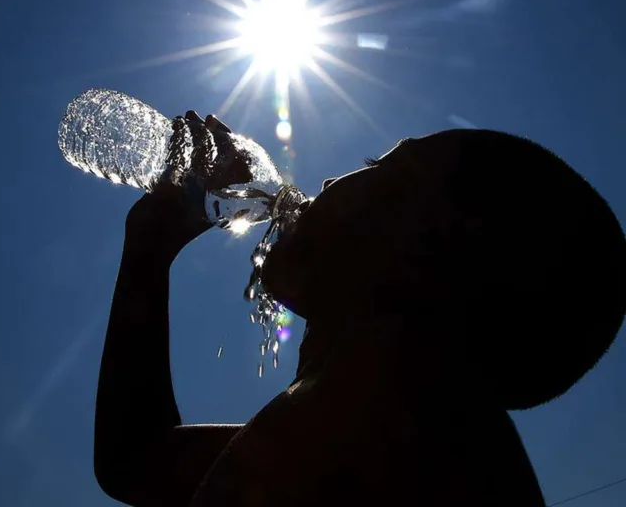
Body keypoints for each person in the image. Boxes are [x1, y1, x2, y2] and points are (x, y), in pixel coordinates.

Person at [93, 112, 626, 507]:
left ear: (426, 250)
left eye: (381, 170)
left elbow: (139, 464)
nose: (326, 183)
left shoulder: (396, 425)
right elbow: (137, 460)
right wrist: (148, 250)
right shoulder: (400, 426)